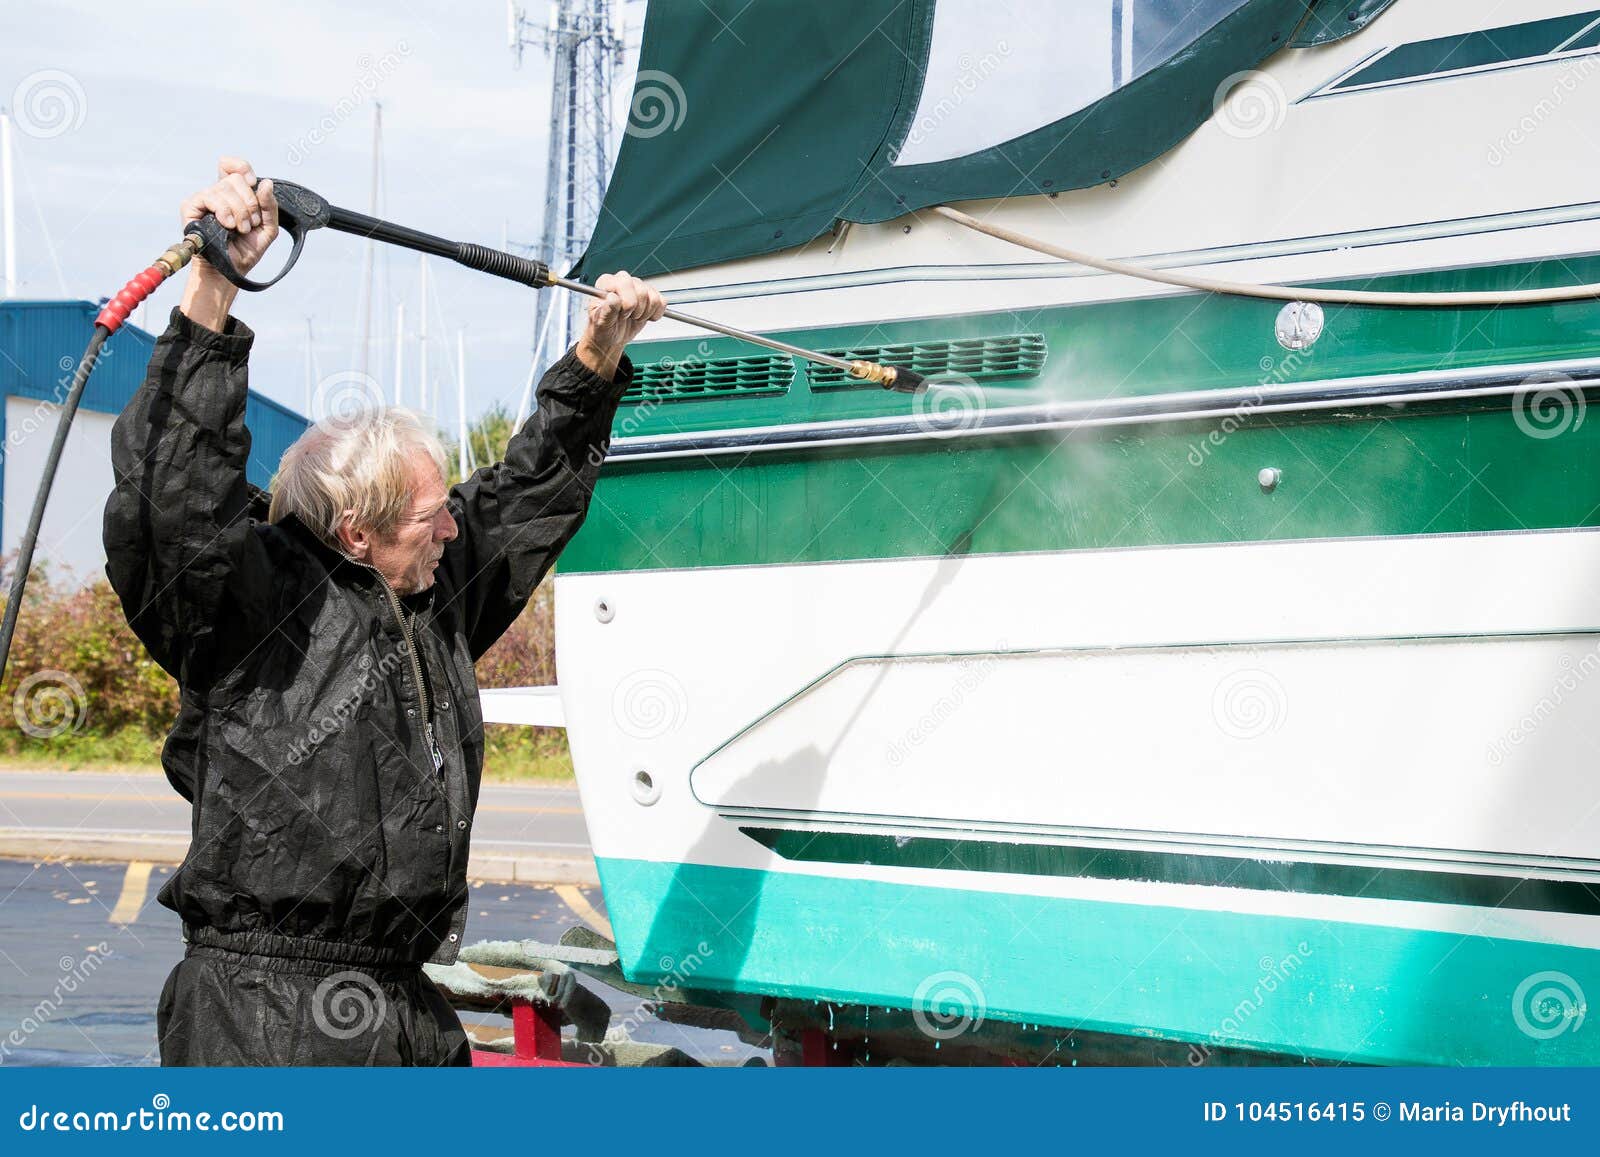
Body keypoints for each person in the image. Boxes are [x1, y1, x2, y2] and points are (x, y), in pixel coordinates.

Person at [102, 156, 665, 1066]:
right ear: (356, 532)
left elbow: (520, 500)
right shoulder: (246, 612)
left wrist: (597, 356)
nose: (453, 524)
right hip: (264, 1020)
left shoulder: (431, 593)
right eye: (428, 512)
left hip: (404, 1003)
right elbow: (173, 497)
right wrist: (213, 286)